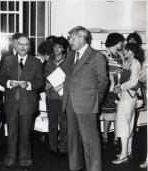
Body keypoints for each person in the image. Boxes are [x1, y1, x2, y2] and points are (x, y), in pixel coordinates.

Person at [62, 26, 108, 171]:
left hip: (87, 104)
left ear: (81, 37)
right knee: (73, 140)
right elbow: (66, 76)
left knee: (90, 141)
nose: (70, 41)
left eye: (72, 38)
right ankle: (75, 167)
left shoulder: (96, 56)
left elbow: (103, 81)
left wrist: (95, 100)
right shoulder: (70, 55)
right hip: (70, 102)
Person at [0, 34, 44, 171]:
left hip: (28, 103)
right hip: (11, 103)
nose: (23, 47)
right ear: (15, 45)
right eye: (20, 44)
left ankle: (25, 162)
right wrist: (8, 83)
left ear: (29, 47)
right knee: (11, 133)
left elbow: (40, 82)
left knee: (25, 134)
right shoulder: (8, 60)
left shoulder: (36, 62)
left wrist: (28, 84)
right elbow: (0, 78)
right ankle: (9, 160)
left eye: (26, 44)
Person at [112, 43, 142, 164]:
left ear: (133, 52)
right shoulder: (129, 62)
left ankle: (124, 155)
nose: (125, 52)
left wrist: (120, 88)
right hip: (127, 95)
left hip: (128, 95)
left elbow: (133, 81)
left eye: (127, 51)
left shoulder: (134, 63)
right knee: (128, 124)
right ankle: (127, 151)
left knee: (123, 124)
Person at [44, 37, 69, 155]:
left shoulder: (69, 60)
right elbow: (44, 76)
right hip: (51, 96)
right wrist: (48, 85)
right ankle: (52, 146)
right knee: (52, 122)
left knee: (64, 123)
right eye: (55, 46)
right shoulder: (48, 60)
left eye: (59, 47)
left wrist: (63, 85)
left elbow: (72, 77)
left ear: (64, 49)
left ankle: (64, 147)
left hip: (64, 96)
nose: (56, 49)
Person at [100, 33, 125, 148]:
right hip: (108, 87)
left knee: (118, 113)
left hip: (120, 88)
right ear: (116, 42)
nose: (123, 44)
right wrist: (112, 72)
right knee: (108, 113)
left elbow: (124, 69)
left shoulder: (121, 55)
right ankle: (105, 136)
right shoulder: (103, 54)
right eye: (121, 42)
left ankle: (116, 138)